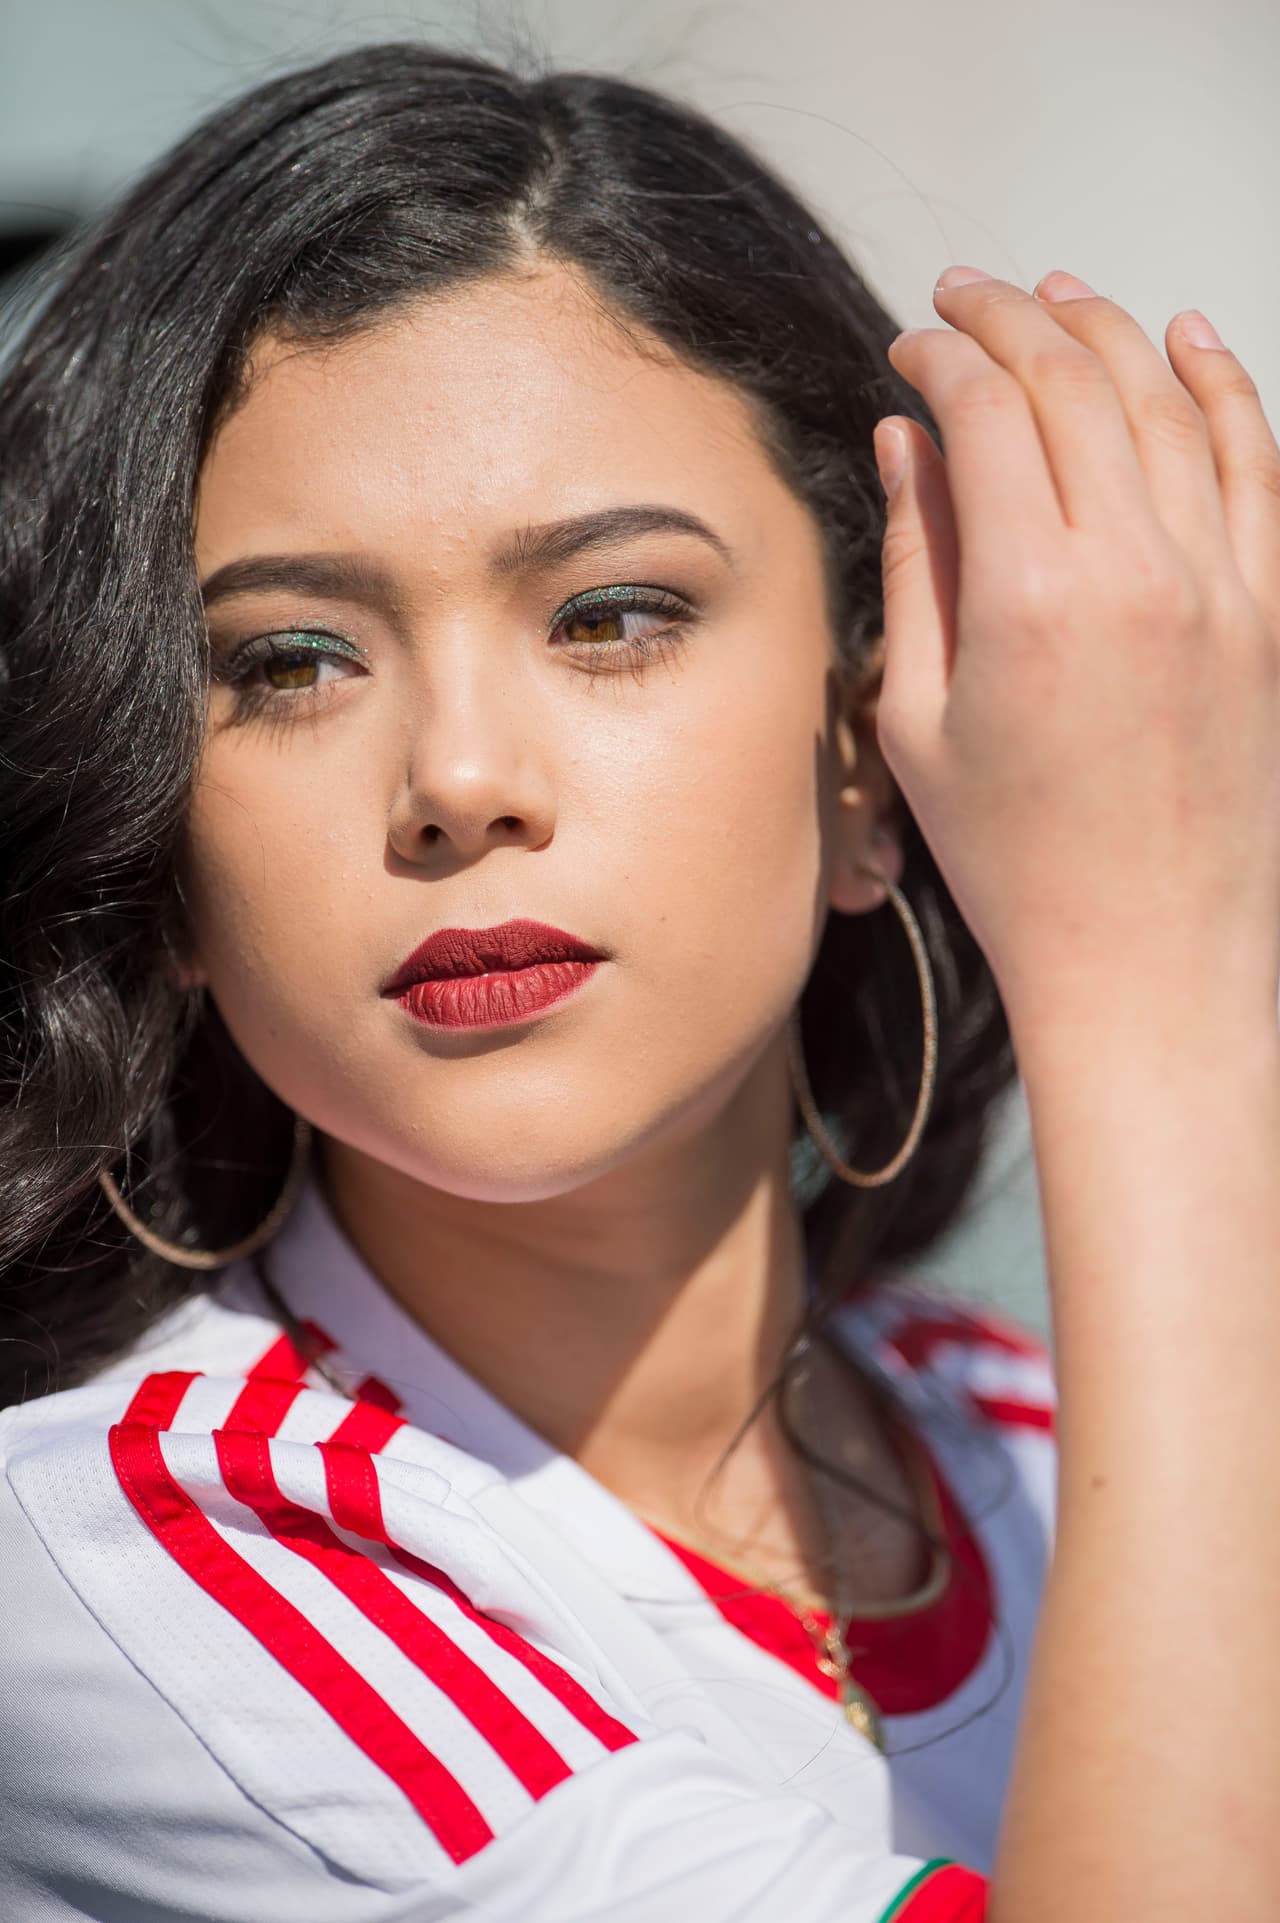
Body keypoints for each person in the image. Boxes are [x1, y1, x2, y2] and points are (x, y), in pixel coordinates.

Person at [1, 38, 1277, 1923]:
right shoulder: (122, 1555)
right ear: (155, 835)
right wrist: (1156, 975)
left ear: (874, 757)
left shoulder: (1044, 1432)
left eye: (609, 615)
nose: (458, 781)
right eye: (289, 662)